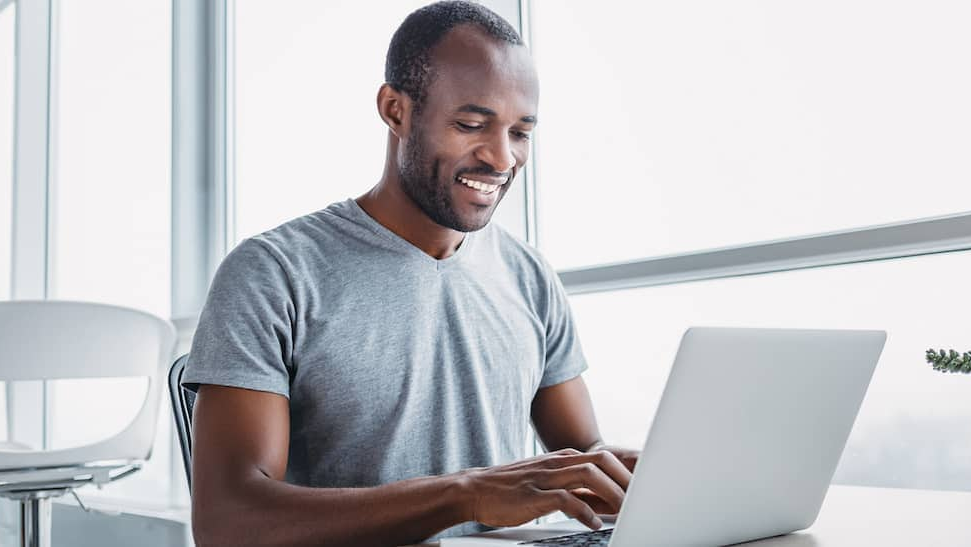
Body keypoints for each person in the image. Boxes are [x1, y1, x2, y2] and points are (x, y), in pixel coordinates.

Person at [183, 2, 638, 545]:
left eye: (521, 132)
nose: (501, 157)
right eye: (471, 124)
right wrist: (465, 493)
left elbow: (585, 456)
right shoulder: (274, 273)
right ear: (395, 110)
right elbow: (227, 520)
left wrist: (652, 476)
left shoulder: (528, 274)